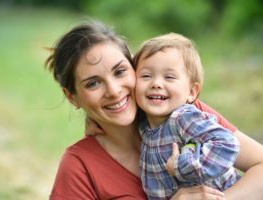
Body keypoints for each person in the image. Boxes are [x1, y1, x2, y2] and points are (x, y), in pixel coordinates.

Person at [45, 20, 263, 200]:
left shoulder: (181, 112)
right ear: (71, 97)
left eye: (120, 71)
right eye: (93, 83)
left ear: (134, 68)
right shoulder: (79, 166)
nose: (113, 90)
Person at [133, 33, 240, 199]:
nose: (156, 83)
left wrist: (182, 166)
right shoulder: (143, 124)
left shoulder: (183, 118)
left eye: (169, 77)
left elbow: (227, 144)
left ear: (191, 92)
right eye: (146, 76)